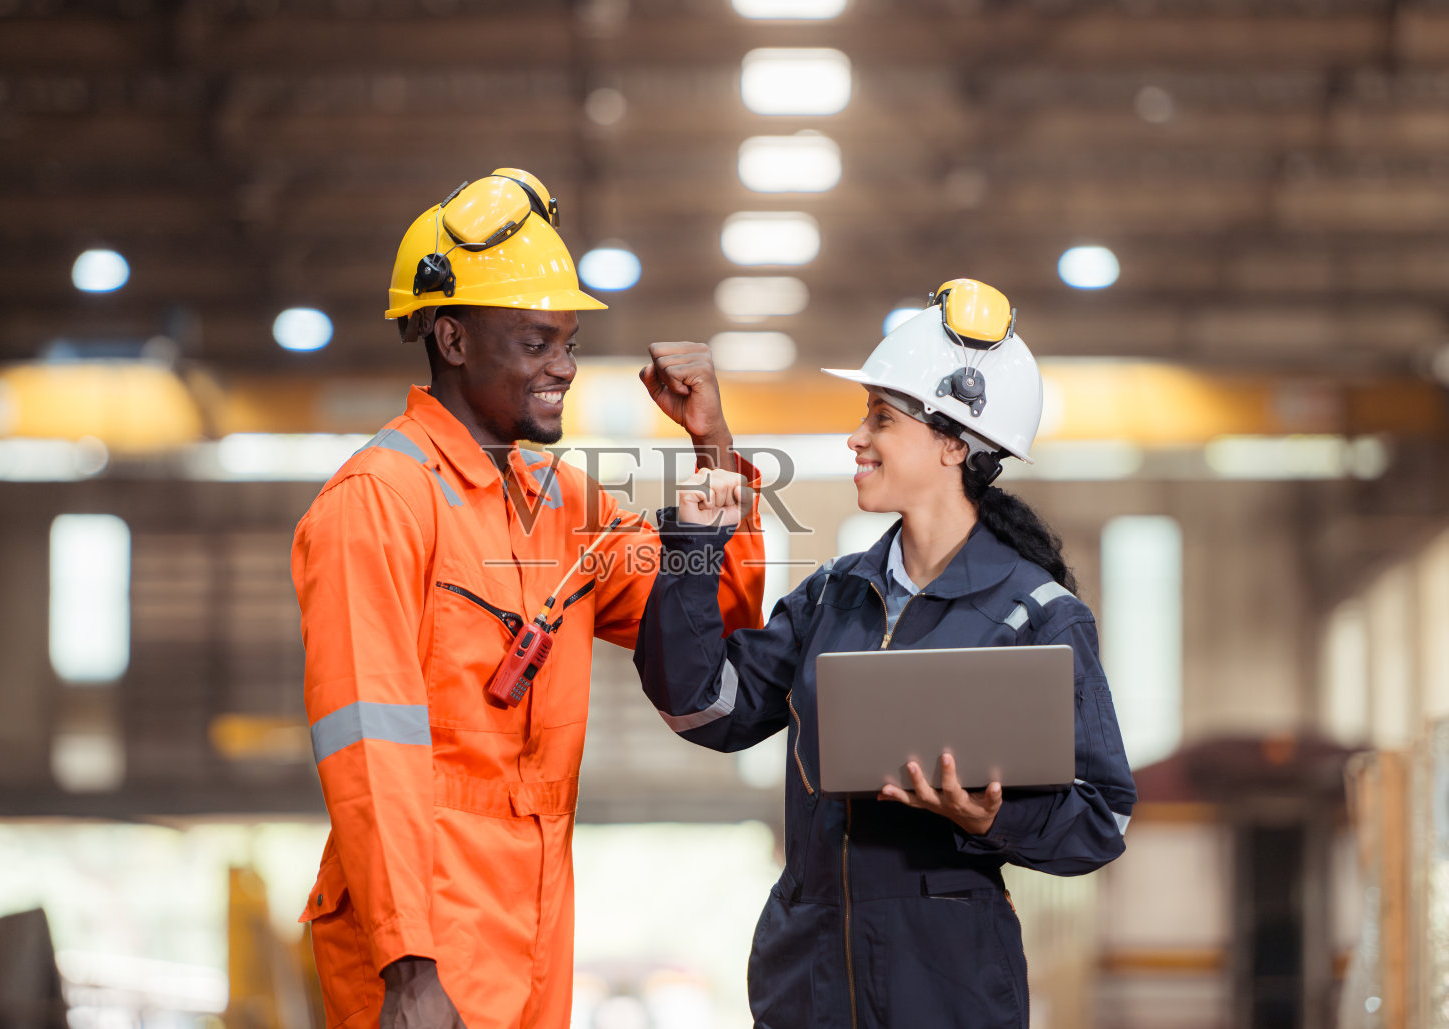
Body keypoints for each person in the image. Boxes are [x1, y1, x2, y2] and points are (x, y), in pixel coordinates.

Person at [291, 169, 766, 1029]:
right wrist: (407, 966)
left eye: (570, 344)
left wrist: (714, 447)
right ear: (453, 338)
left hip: (535, 920)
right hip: (424, 935)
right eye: (538, 343)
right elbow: (371, 750)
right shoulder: (379, 501)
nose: (566, 369)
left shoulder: (566, 503)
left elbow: (709, 616)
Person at [635, 279, 1136, 1029]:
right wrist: (695, 544)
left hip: (943, 990)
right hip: (808, 983)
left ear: (954, 443)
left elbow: (1103, 821)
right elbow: (703, 707)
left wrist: (988, 818)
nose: (855, 438)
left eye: (881, 418)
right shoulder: (833, 596)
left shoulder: (1037, 615)